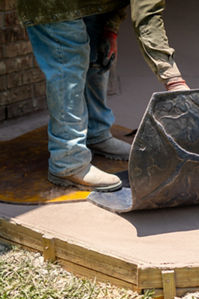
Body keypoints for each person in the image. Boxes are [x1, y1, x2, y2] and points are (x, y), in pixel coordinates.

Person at [15, 0, 190, 191]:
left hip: (92, 6)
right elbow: (147, 18)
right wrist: (173, 80)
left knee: (100, 52)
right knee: (68, 64)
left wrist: (110, 30)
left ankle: (96, 134)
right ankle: (68, 162)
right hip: (54, 4)